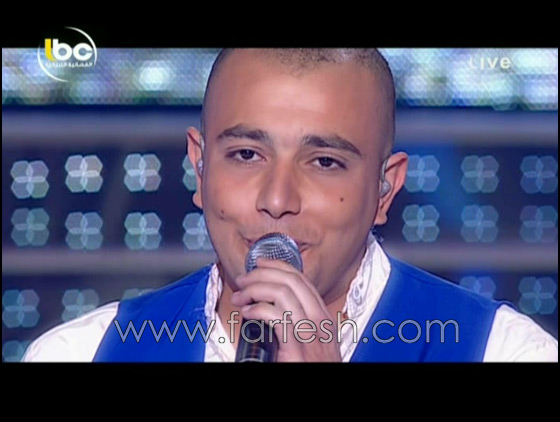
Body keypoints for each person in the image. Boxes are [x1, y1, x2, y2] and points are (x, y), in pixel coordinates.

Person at [22, 48, 558, 362]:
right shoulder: (80, 353)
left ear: (385, 189)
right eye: (246, 154)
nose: (277, 200)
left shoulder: (503, 350)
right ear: (199, 168)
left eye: (324, 161)